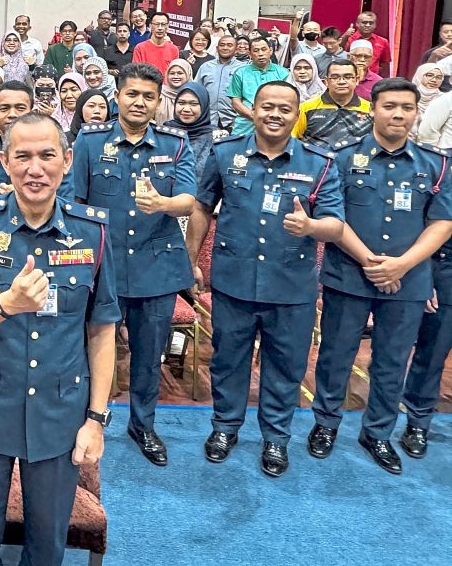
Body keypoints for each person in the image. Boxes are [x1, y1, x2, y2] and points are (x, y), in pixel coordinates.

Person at [0, 113, 117, 566]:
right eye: (23, 157)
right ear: (3, 162)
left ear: (67, 161)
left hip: (60, 415)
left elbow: (101, 329)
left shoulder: (91, 230)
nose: (35, 169)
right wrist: (5, 305)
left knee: (47, 548)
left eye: (47, 156)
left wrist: (96, 418)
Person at [188, 80, 345, 476]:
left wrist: (311, 226)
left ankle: (276, 438)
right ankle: (225, 427)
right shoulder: (225, 154)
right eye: (267, 107)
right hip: (233, 281)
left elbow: (335, 226)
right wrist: (190, 261)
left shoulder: (319, 162)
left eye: (284, 109)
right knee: (228, 361)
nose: (275, 114)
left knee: (286, 366)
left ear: (296, 116)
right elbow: (202, 208)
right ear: (253, 110)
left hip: (291, 286)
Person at [307, 78, 452, 474]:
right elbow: (331, 217)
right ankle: (325, 424)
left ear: (417, 112)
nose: (398, 114)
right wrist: (375, 263)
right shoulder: (340, 158)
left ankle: (378, 433)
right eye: (389, 106)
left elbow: (442, 223)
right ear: (372, 109)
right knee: (336, 356)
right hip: (349, 274)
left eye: (407, 107)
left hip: (408, 280)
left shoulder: (435, 163)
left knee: (391, 361)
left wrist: (401, 265)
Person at [71, 63, 195, 466]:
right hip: (101, 268)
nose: (139, 102)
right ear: (117, 96)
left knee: (148, 355)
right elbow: (75, 203)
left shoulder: (175, 144)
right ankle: (90, 421)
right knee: (90, 349)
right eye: (132, 94)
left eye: (148, 97)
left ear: (158, 102)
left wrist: (162, 203)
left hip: (155, 267)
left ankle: (143, 426)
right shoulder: (89, 142)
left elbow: (188, 200)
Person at [293, 58, 372, 148]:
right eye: (335, 77)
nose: (341, 82)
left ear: (357, 80)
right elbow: (293, 140)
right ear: (326, 81)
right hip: (316, 160)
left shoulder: (369, 109)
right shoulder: (305, 108)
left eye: (348, 77)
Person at [227, 34, 288, 135]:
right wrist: (255, 116)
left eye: (264, 49)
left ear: (271, 51)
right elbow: (236, 102)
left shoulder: (283, 73)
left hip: (274, 123)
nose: (260, 54)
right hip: (245, 124)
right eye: (256, 50)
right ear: (249, 53)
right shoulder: (240, 73)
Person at [166, 82, 216, 177]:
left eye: (193, 104)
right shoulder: (165, 132)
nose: (186, 109)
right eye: (181, 103)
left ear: (204, 105)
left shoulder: (215, 137)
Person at [343, 10, 391, 76]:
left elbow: (385, 64)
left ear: (375, 25)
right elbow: (340, 56)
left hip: (373, 79)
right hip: (352, 77)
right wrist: (345, 37)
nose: (367, 25)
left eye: (371, 23)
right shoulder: (349, 39)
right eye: (364, 22)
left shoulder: (383, 41)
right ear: (357, 24)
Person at [156, 57, 194, 123]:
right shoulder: (159, 93)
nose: (175, 76)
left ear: (188, 74)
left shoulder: (194, 95)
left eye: (180, 73)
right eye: (172, 73)